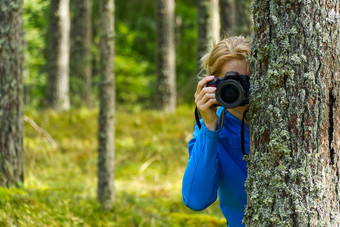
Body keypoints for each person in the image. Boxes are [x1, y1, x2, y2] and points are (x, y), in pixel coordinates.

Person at [182, 36, 251, 227]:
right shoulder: (213, 128)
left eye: (246, 81)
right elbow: (196, 200)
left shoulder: (285, 121)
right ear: (213, 85)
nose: (239, 90)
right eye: (230, 82)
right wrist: (210, 128)